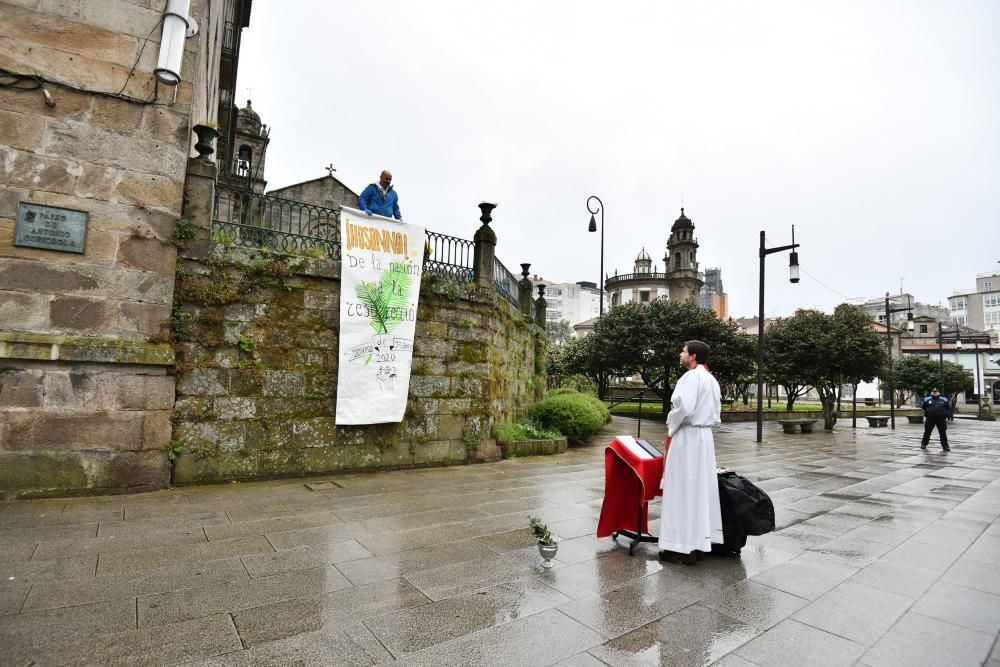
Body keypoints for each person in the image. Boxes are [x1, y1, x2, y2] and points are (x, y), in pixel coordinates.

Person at [658, 340, 724, 565]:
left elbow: (683, 409)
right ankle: (698, 544)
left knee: (682, 490)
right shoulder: (711, 379)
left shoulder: (691, 377)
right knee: (699, 492)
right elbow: (716, 413)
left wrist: (671, 421)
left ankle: (680, 546)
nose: (680, 354)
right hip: (704, 438)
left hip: (687, 437)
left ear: (693, 356)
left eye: (684, 351)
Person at [921, 387, 951, 451]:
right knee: (927, 432)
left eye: (936, 392)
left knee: (943, 433)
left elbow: (947, 408)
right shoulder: (926, 399)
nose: (935, 393)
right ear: (931, 392)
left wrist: (947, 415)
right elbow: (924, 407)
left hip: (941, 419)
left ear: (939, 393)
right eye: (933, 392)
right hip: (930, 418)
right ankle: (923, 444)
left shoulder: (944, 400)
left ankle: (945, 446)